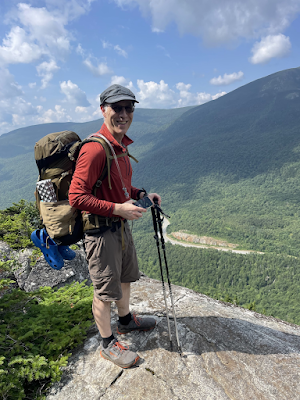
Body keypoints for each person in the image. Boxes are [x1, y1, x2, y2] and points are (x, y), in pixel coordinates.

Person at [69, 84, 161, 369]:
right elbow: (76, 196)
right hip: (100, 232)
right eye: (117, 108)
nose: (123, 114)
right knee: (105, 289)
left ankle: (125, 321)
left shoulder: (119, 146)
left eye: (128, 108)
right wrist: (118, 208)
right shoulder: (95, 149)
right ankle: (107, 343)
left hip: (119, 227)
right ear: (103, 110)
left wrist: (138, 195)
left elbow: (114, 185)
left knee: (124, 277)